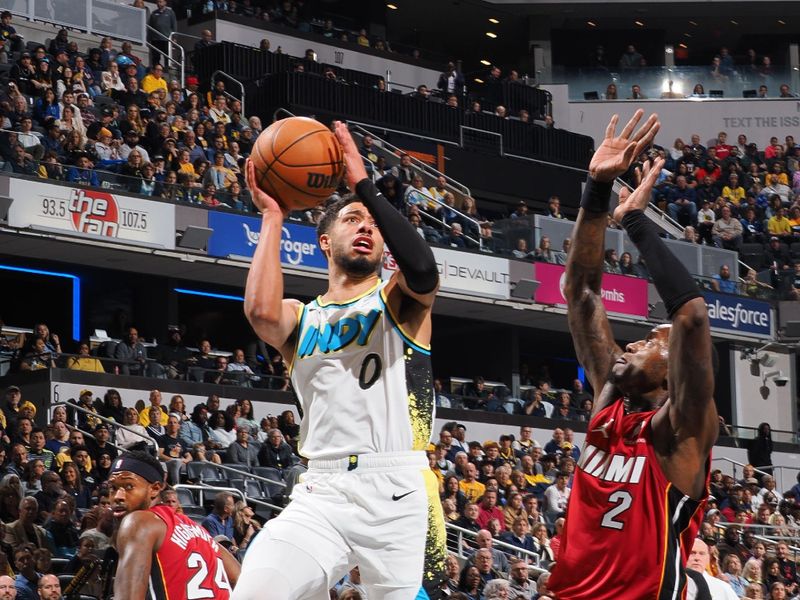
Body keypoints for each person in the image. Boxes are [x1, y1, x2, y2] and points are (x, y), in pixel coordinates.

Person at [235, 120, 445, 599]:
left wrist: (363, 188)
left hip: (397, 489)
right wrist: (272, 217)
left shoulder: (398, 301)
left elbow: (424, 269)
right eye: (352, 219)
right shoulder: (301, 318)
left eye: (371, 223)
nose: (366, 226)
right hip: (321, 490)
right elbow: (260, 314)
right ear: (325, 242)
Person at [548, 110, 717, 599]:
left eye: (650, 342)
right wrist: (597, 192)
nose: (636, 342)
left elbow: (692, 317)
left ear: (673, 375)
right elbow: (580, 292)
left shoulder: (680, 431)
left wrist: (636, 221)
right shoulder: (610, 400)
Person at [110, 451, 240, 599]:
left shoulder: (138, 521)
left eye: (128, 486)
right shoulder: (199, 531)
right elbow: (240, 578)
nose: (117, 497)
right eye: (112, 488)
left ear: (155, 489)